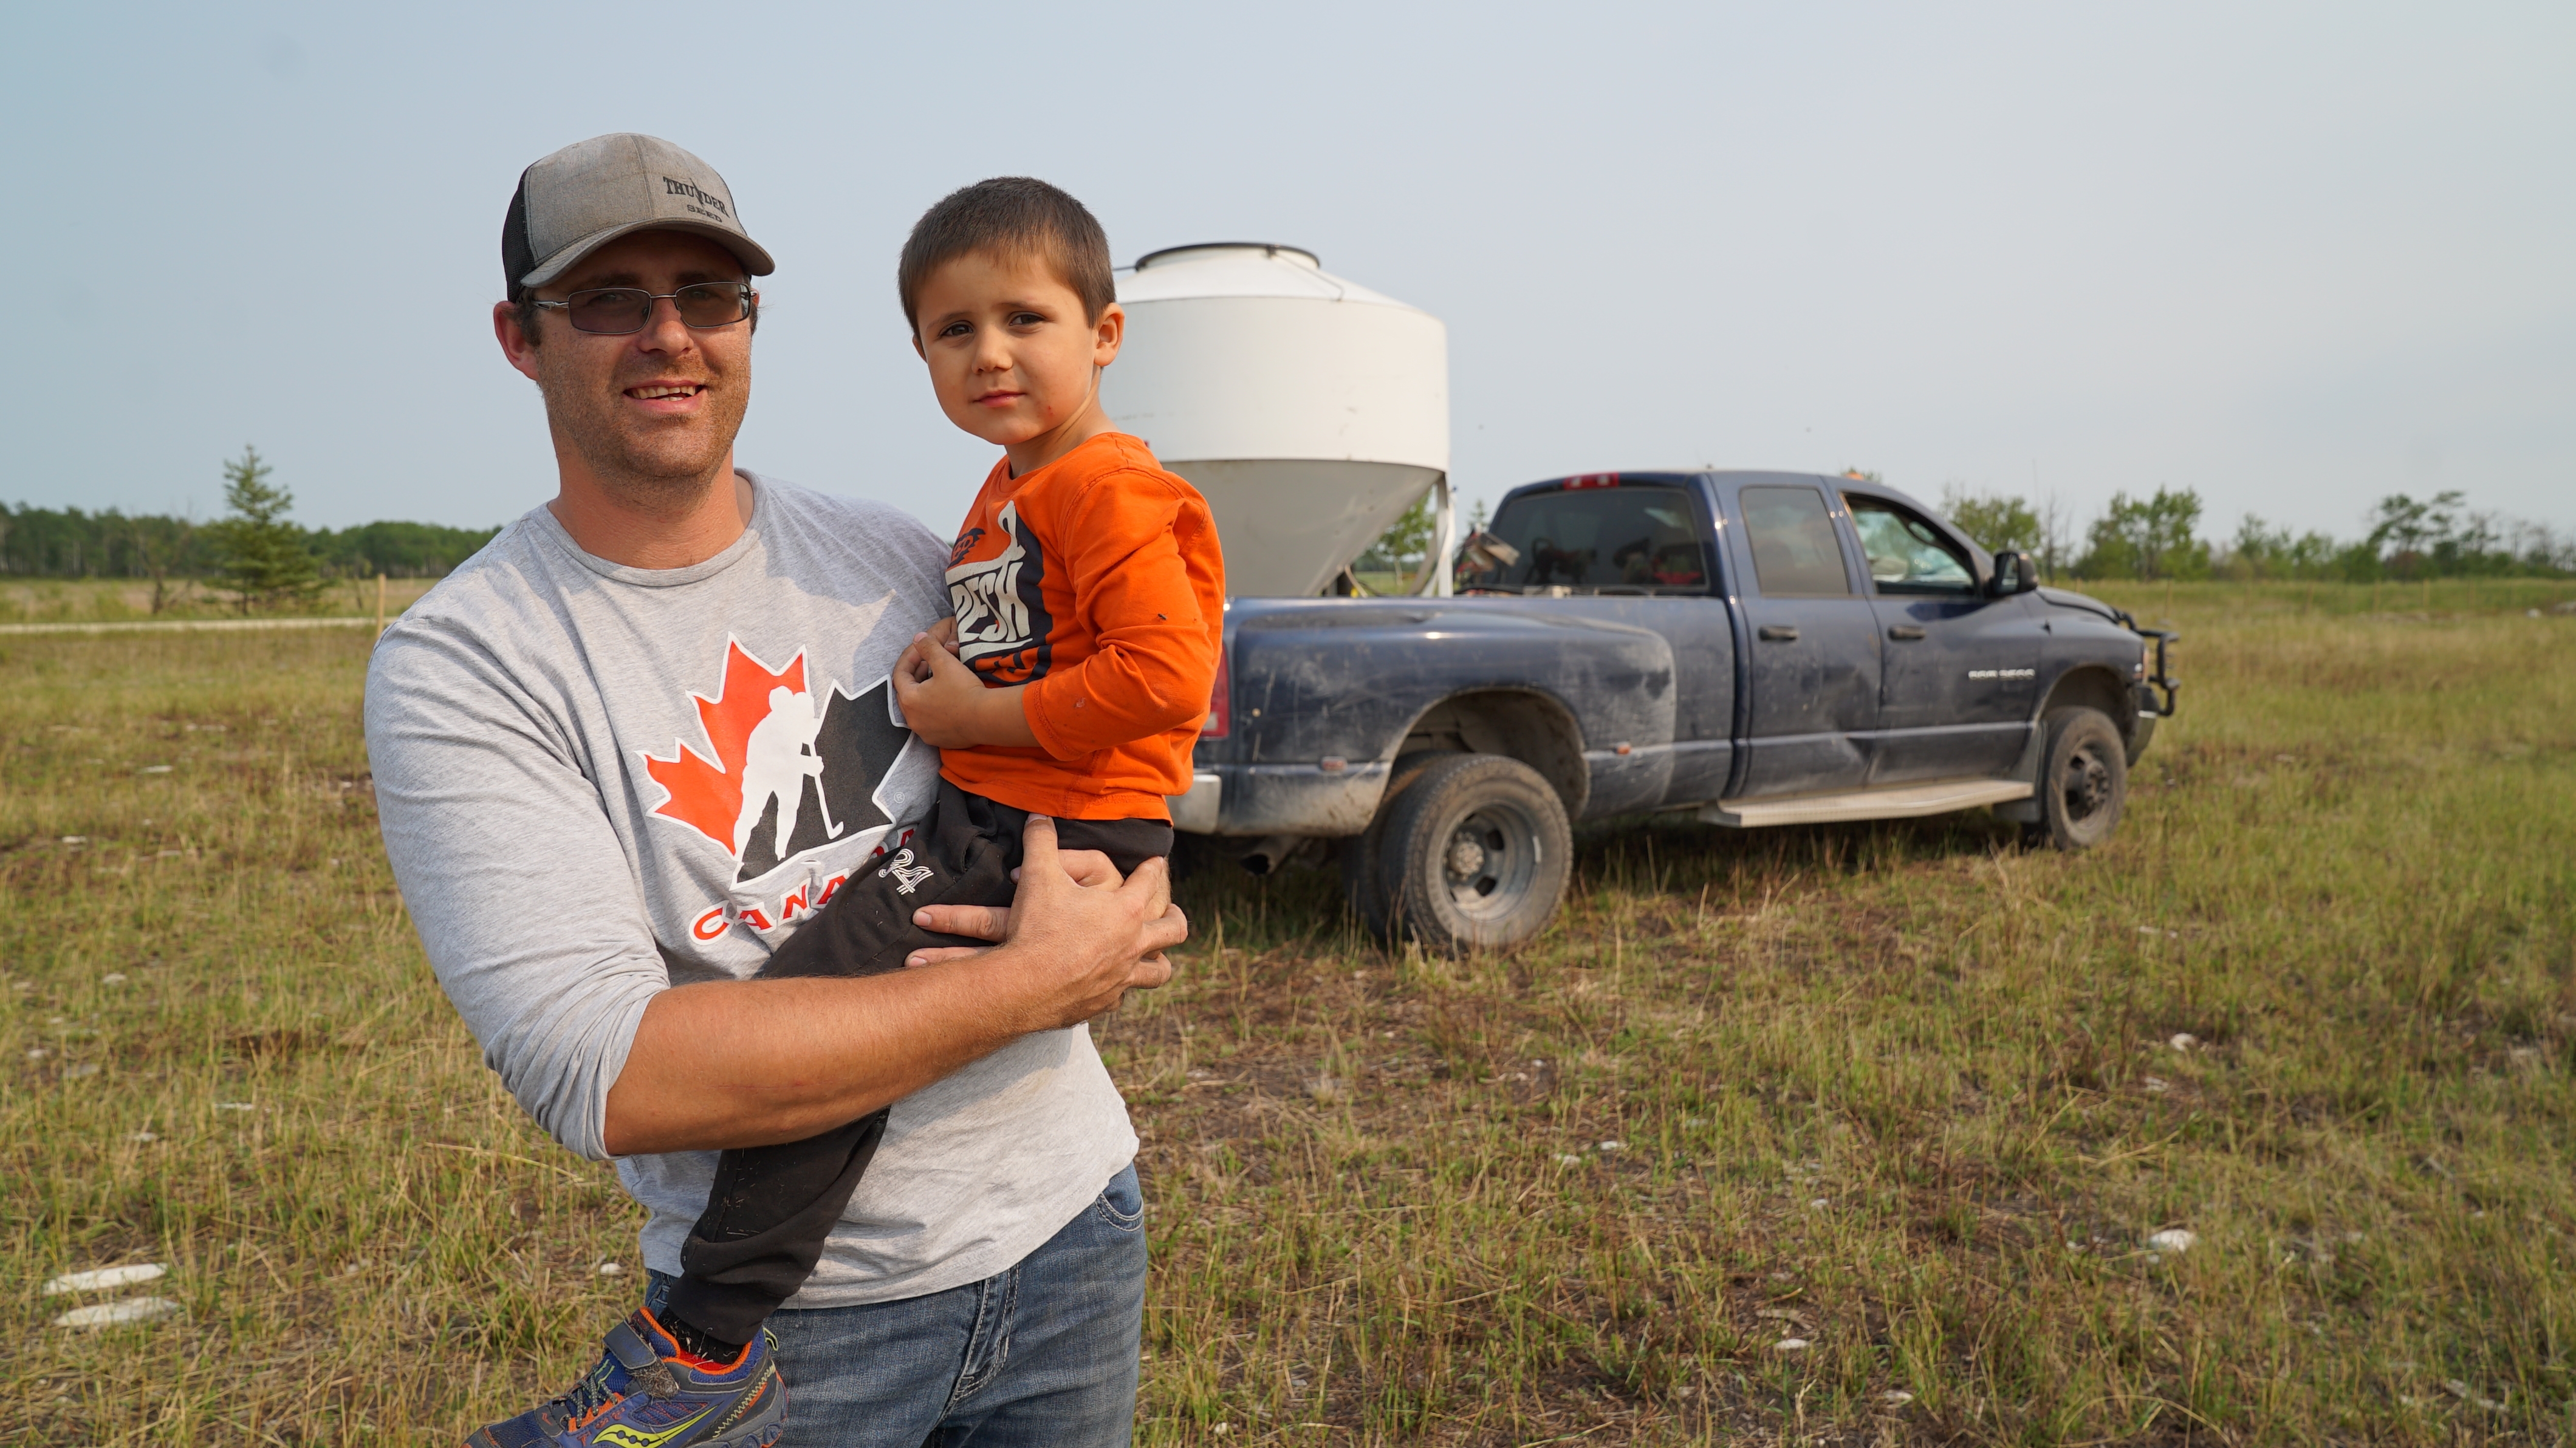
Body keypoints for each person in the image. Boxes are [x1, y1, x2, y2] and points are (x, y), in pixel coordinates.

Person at [365, 134, 1184, 1448]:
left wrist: (1127, 891)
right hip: (804, 1330)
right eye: (611, 300)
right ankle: (685, 1356)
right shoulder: (468, 662)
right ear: (521, 338)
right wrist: (1032, 984)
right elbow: (608, 1072)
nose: (670, 336)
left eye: (709, 294)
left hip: (1071, 1234)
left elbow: (1109, 720)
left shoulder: (895, 552)